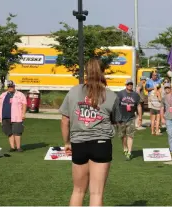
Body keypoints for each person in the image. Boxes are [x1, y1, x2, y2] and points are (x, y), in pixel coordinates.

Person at [59, 58, 117, 206]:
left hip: (78, 143)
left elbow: (65, 121)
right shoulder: (111, 95)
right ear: (103, 72)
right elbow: (115, 121)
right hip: (101, 143)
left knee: (78, 191)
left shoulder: (73, 91)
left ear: (86, 72)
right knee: (96, 193)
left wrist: (67, 142)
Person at [0, 80, 27, 152]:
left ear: (14, 86)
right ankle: (12, 147)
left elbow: (24, 104)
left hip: (17, 116)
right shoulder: (3, 95)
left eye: (11, 86)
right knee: (9, 132)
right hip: (5, 116)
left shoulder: (20, 94)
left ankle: (18, 147)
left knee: (17, 132)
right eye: (9, 87)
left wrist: (23, 113)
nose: (10, 88)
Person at [115, 79, 142, 160]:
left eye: (131, 84)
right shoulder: (120, 94)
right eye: (128, 84)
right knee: (123, 136)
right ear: (125, 85)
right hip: (121, 118)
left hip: (131, 118)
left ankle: (129, 152)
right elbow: (116, 105)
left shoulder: (136, 95)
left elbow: (139, 106)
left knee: (130, 135)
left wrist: (140, 117)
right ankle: (125, 148)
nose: (130, 85)